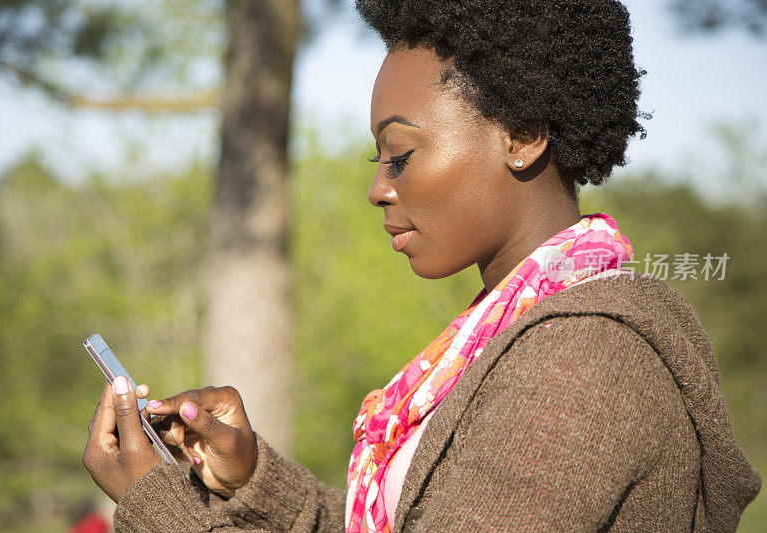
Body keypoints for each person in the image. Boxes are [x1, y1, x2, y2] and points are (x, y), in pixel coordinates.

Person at [82, 0, 762, 531]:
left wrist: (159, 505)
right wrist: (252, 481)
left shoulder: (584, 356)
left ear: (522, 135)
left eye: (399, 153)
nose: (379, 186)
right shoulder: (504, 335)